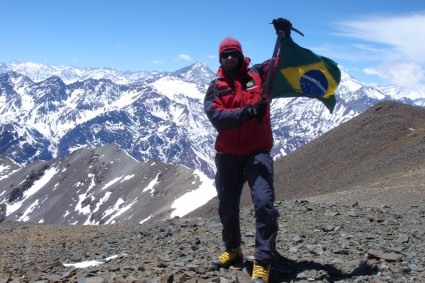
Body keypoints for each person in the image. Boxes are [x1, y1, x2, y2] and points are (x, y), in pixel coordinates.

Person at [204, 19, 291, 283]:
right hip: (227, 155)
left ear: (241, 55)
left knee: (264, 204)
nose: (230, 57)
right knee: (227, 207)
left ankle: (263, 260)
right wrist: (249, 111)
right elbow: (217, 117)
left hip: (257, 152)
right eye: (225, 54)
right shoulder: (215, 86)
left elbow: (282, 62)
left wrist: (283, 37)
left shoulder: (259, 74)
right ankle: (233, 250)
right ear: (221, 58)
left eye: (234, 53)